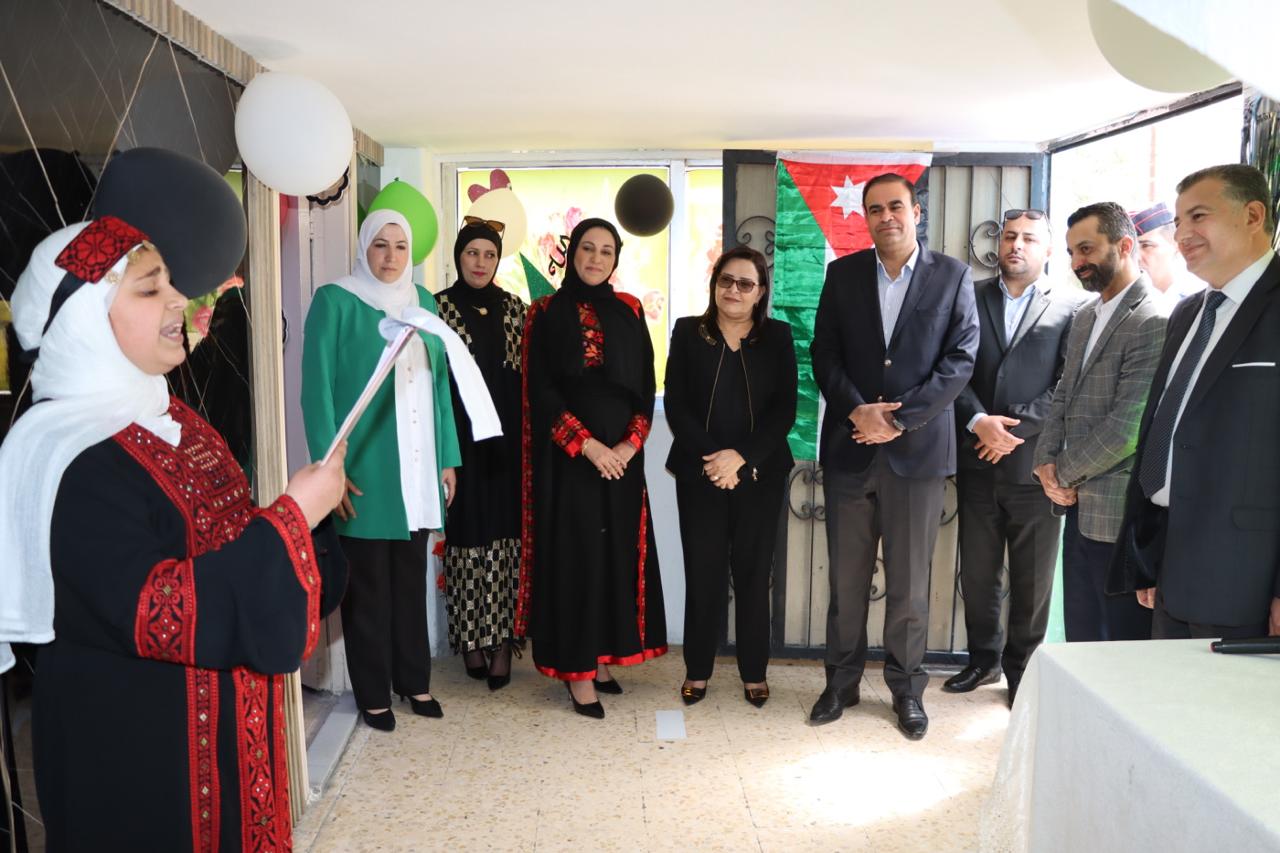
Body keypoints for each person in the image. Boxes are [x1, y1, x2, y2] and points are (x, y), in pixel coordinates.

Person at [0, 148, 348, 851]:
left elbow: (229, 542)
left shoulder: (168, 415)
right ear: (86, 318)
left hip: (226, 744)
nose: (177, 302)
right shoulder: (68, 456)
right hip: (142, 762)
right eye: (150, 289)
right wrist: (292, 519)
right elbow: (162, 610)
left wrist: (299, 524)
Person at [808, 172, 979, 739]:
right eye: (875, 209)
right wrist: (858, 411)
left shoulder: (952, 276)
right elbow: (824, 353)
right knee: (846, 582)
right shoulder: (843, 275)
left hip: (918, 455)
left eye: (896, 207)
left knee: (909, 585)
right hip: (851, 449)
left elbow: (960, 360)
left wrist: (899, 420)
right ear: (865, 217)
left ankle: (907, 690)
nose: (886, 217)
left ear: (916, 212)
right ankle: (841, 683)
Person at [301, 209, 460, 731]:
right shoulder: (335, 300)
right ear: (363, 248)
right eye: (380, 245)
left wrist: (447, 458)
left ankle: (413, 681)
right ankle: (373, 695)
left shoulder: (424, 302)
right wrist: (330, 467)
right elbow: (316, 390)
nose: (391, 257)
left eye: (400, 246)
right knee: (367, 586)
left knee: (410, 581)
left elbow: (440, 384)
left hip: (418, 466)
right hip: (364, 463)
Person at [1111, 164, 1280, 639]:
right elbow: (1165, 430)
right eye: (1179, 220)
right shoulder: (1188, 313)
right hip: (1172, 565)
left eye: (1199, 216)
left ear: (1253, 215)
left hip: (1248, 580)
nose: (1182, 233)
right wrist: (1148, 552)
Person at [517, 217, 667, 719]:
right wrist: (589, 447)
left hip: (622, 463)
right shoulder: (545, 312)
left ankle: (602, 657)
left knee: (614, 558)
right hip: (572, 463)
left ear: (616, 259)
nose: (596, 258)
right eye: (587, 248)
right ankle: (578, 673)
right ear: (572, 254)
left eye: (606, 251)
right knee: (578, 560)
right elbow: (541, 391)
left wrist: (627, 446)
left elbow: (644, 385)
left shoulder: (629, 309)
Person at [948, 209, 1088, 707]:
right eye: (1010, 236)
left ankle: (1023, 673)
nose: (1016, 245)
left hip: (1035, 467)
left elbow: (1069, 383)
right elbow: (954, 369)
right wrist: (978, 421)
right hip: (976, 459)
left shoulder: (1074, 306)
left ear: (1048, 249)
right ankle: (981, 661)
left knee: (1032, 580)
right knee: (978, 573)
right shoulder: (969, 296)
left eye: (1029, 238)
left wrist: (1011, 430)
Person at [664, 246, 796, 708]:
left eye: (745, 283)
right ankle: (697, 670)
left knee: (754, 574)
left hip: (760, 474)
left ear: (760, 292)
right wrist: (714, 460)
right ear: (714, 284)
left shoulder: (777, 337)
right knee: (703, 572)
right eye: (726, 280)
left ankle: (754, 672)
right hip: (700, 473)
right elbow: (676, 404)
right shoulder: (688, 332)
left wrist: (741, 458)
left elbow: (784, 410)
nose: (733, 290)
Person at [1032, 201, 1165, 643]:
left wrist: (1062, 474)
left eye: (1086, 249)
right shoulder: (1086, 314)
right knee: (1082, 641)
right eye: (1072, 252)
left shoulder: (1153, 318)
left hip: (1119, 516)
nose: (1077, 263)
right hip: (1076, 509)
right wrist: (1044, 464)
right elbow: (1063, 395)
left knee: (1119, 649)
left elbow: (1128, 427)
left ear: (1124, 246)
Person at [435, 218, 527, 689]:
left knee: (507, 540)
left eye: (490, 254)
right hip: (460, 446)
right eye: (472, 252)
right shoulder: (436, 309)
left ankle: (503, 644)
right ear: (458, 256)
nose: (481, 262)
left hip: (508, 448)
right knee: (466, 539)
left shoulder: (517, 310)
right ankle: (471, 641)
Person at [1131, 202, 1204, 311]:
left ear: (1176, 245)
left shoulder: (1200, 298)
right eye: (1132, 249)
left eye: (1146, 246)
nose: (1136, 257)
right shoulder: (1129, 300)